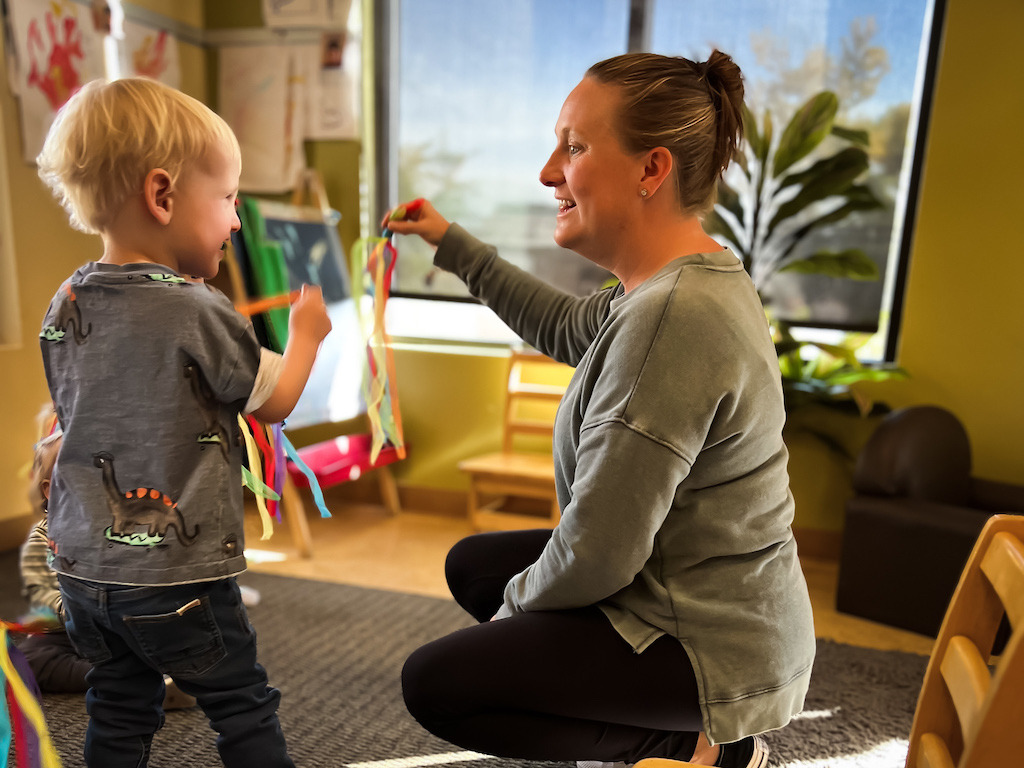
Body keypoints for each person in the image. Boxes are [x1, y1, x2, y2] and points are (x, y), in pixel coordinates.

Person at [389, 51, 815, 768]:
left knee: (439, 683)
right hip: (694, 594)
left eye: (574, 147)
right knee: (477, 564)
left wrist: (508, 622)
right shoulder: (667, 286)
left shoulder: (673, 317)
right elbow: (559, 324)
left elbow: (597, 554)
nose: (548, 171)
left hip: (711, 645)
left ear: (652, 171)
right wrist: (450, 243)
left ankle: (701, 750)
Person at [35, 76, 332, 768]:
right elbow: (275, 402)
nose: (235, 220)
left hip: (82, 571)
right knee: (241, 703)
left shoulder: (67, 299)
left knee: (118, 701)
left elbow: (71, 414)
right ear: (162, 195)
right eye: (228, 198)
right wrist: (309, 337)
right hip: (178, 578)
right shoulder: (200, 308)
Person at [18, 409, 197, 708]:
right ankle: (135, 682)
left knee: (184, 631)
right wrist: (81, 613)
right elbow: (42, 591)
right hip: (67, 631)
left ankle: (151, 672)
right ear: (51, 490)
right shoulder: (42, 538)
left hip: (125, 624)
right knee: (30, 660)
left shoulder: (115, 529)